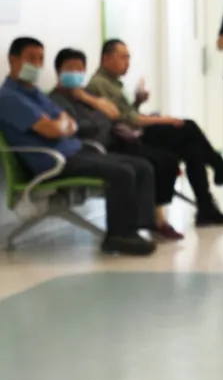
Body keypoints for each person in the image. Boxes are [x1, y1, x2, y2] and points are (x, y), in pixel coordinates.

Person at [0, 37, 158, 256]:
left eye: (40, 59)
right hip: (53, 161)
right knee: (123, 172)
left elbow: (67, 121)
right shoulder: (9, 97)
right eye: (31, 59)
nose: (36, 64)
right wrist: (59, 126)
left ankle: (135, 229)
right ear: (13, 59)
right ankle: (117, 237)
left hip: (74, 151)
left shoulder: (34, 93)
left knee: (142, 166)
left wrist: (60, 125)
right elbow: (51, 129)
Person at [88, 38, 223, 226]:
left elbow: (125, 115)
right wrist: (166, 119)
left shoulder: (113, 83)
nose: (127, 62)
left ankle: (206, 206)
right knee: (187, 127)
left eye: (129, 57)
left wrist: (137, 101)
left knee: (193, 148)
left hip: (134, 132)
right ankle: (219, 168)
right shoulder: (99, 83)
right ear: (107, 58)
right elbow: (129, 121)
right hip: (127, 140)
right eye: (123, 57)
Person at [50, 47, 184, 241]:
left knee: (163, 159)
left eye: (80, 69)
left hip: (114, 140)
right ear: (58, 71)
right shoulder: (55, 100)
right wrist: (97, 119)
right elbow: (79, 127)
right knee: (143, 164)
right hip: (94, 149)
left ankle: (145, 224)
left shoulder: (85, 95)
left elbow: (112, 114)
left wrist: (86, 99)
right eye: (70, 68)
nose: (76, 73)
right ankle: (130, 231)